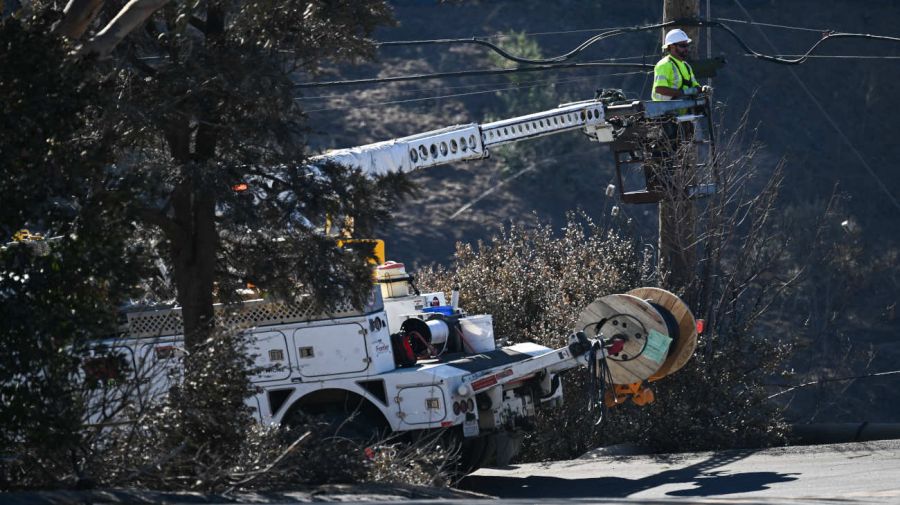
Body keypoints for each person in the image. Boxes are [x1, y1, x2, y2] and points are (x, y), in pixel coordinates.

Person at [652, 29, 701, 101]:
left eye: (687, 45)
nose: (686, 49)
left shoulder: (686, 66)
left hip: (683, 110)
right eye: (683, 45)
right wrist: (683, 93)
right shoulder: (664, 64)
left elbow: (695, 85)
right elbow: (660, 89)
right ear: (672, 46)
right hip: (664, 110)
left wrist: (702, 89)